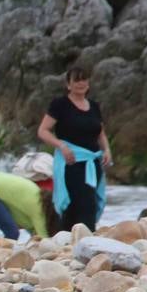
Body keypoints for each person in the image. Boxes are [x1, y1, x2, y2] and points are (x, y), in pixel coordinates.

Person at [38, 66, 111, 230]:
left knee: (90, 203)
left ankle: (87, 238)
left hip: (92, 163)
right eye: (76, 80)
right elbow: (42, 131)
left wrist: (107, 150)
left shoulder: (94, 106)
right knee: (76, 204)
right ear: (68, 84)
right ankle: (68, 241)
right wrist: (61, 145)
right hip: (71, 162)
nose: (81, 83)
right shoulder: (60, 104)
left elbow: (100, 133)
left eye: (84, 79)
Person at [0, 171, 61, 241]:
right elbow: (43, 238)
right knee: (12, 232)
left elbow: (32, 231)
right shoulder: (38, 208)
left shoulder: (36, 194)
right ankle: (6, 262)